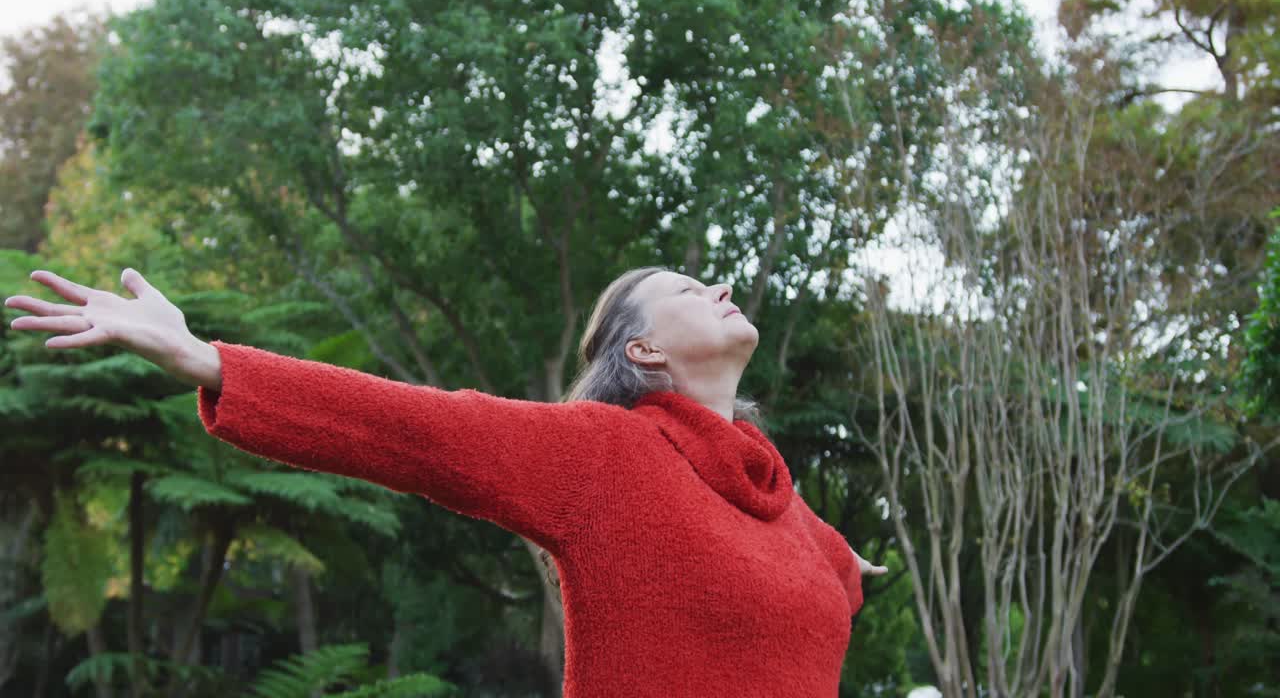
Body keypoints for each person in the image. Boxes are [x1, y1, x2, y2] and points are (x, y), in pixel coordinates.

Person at [6, 265, 886, 697]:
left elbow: (834, 567)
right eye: (690, 288)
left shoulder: (789, 511)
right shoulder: (607, 456)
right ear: (643, 350)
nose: (721, 285)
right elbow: (419, 430)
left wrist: (851, 567)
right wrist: (208, 360)